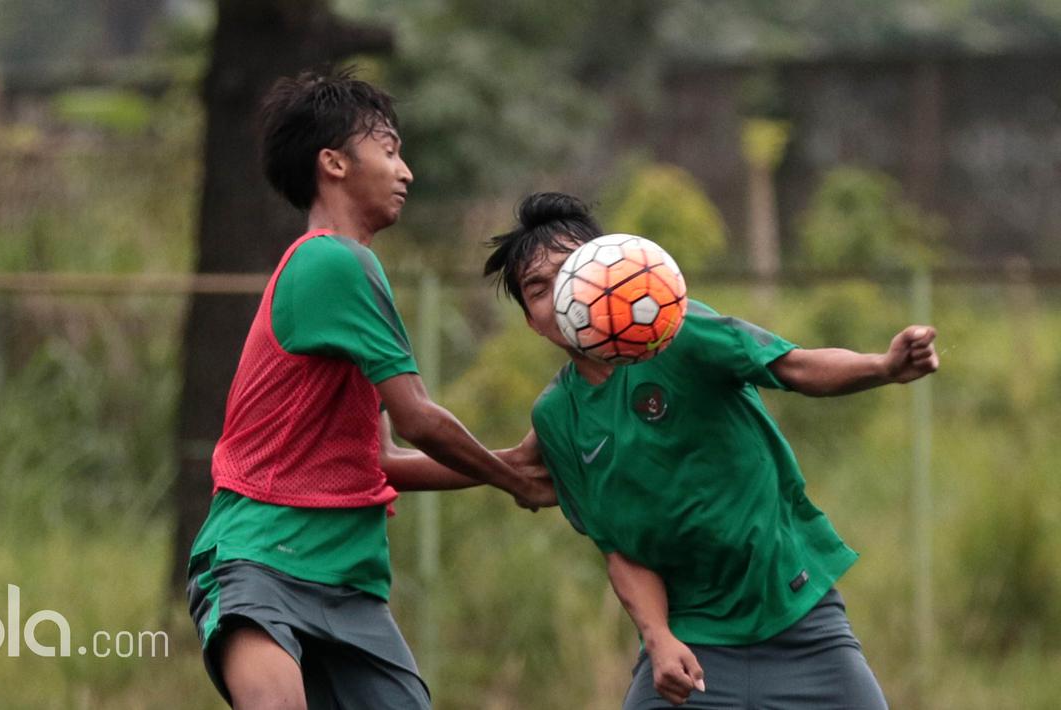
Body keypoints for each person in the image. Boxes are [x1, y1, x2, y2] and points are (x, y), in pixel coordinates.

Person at [186, 69, 555, 710]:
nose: (405, 170)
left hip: (350, 585)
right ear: (333, 163)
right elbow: (415, 418)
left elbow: (380, 461)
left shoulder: (347, 269)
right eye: (388, 149)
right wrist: (512, 480)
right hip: (261, 561)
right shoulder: (333, 262)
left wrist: (510, 462)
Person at [483, 192, 940, 709]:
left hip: (796, 614)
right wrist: (658, 639)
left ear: (613, 268)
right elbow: (621, 550)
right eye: (538, 289)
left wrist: (882, 367)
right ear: (532, 320)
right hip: (688, 640)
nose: (563, 293)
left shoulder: (683, 331)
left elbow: (794, 366)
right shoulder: (557, 417)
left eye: (572, 270)